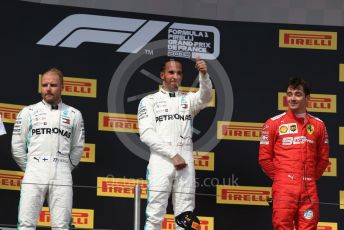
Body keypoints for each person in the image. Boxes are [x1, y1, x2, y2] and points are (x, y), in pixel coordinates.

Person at [138, 57, 212, 230]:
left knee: (186, 216)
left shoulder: (188, 100)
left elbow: (206, 96)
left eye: (178, 73)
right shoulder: (149, 101)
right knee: (155, 214)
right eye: (171, 72)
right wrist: (173, 155)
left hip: (185, 162)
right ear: (162, 75)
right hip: (161, 162)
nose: (175, 76)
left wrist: (203, 74)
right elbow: (147, 134)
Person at [12, 68, 85, 229]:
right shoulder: (28, 112)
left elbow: (78, 147)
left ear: (62, 87)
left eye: (53, 85)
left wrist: (64, 167)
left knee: (62, 225)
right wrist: (32, 166)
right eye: (44, 85)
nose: (48, 88)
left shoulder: (74, 114)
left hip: (62, 173)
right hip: (34, 172)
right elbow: (17, 146)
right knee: (26, 224)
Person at [259, 77, 329, 229]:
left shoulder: (318, 125)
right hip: (284, 188)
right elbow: (264, 158)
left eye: (297, 94)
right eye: (289, 94)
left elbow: (323, 159)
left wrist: (308, 177)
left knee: (309, 226)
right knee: (282, 226)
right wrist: (281, 177)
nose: (292, 98)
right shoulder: (273, 123)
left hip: (309, 187)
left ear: (307, 98)